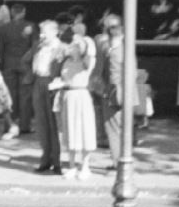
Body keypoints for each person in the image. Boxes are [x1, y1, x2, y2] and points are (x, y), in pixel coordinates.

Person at [52, 17, 97, 180]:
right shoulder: (66, 62)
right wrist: (58, 84)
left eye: (76, 46)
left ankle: (85, 166)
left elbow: (91, 54)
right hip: (68, 96)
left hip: (81, 96)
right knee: (70, 131)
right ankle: (71, 165)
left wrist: (81, 39)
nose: (72, 48)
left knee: (84, 131)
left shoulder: (85, 63)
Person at [27, 17, 66, 173]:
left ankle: (57, 161)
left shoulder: (62, 48)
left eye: (45, 32)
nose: (42, 35)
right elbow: (25, 60)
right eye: (41, 32)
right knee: (41, 123)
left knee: (54, 124)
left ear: (55, 32)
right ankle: (45, 158)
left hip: (53, 84)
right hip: (39, 82)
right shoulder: (39, 46)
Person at [0, 0, 35, 139]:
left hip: (8, 63)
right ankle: (24, 125)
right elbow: (33, 47)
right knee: (25, 96)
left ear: (12, 13)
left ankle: (9, 124)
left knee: (9, 95)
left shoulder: (4, 28)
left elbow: (0, 49)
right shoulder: (30, 26)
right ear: (23, 12)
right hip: (25, 64)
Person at [96, 13, 127, 161]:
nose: (111, 30)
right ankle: (118, 159)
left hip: (117, 90)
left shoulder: (121, 47)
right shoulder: (107, 46)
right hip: (112, 90)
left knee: (116, 126)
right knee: (114, 126)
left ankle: (118, 161)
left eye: (114, 27)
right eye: (109, 28)